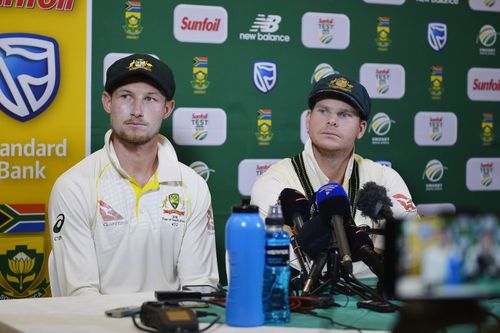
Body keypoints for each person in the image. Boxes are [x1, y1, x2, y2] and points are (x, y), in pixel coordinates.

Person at [48, 54, 219, 296]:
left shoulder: (193, 186)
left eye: (150, 99)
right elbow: (80, 296)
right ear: (107, 102)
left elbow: (199, 288)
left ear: (167, 108)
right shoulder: (74, 186)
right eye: (126, 96)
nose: (137, 111)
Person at [251, 73, 418, 278]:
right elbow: (282, 267)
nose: (332, 121)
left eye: (345, 114)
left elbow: (410, 256)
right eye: (323, 111)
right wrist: (375, 255)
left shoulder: (385, 179)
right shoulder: (275, 183)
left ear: (361, 128)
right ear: (308, 119)